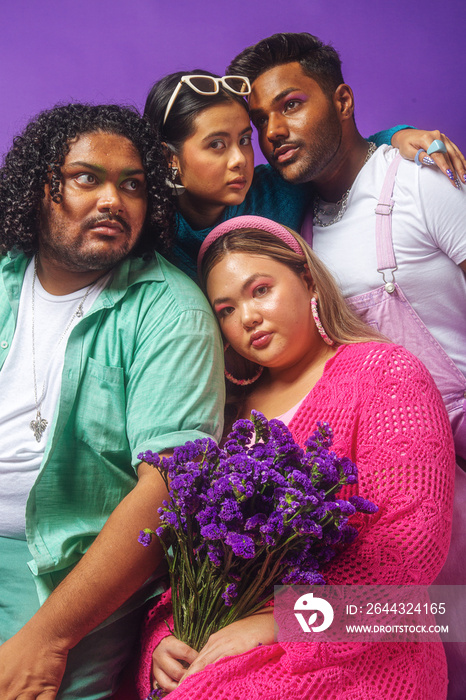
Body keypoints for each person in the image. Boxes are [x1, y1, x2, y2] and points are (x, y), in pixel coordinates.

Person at [227, 33, 466, 696]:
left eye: (292, 104)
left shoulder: (420, 181)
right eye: (260, 122)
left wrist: (398, 137)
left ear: (342, 99)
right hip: (392, 485)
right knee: (421, 642)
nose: (275, 130)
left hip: (460, 458)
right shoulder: (296, 216)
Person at [136, 216, 455, 700]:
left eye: (260, 289)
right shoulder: (225, 414)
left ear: (306, 277)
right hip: (232, 644)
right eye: (225, 309)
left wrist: (282, 621)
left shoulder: (386, 373)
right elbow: (189, 558)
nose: (246, 318)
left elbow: (409, 551)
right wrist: (165, 642)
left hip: (368, 646)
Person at [0, 103, 224, 700]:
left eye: (132, 185)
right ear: (38, 187)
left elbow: (169, 486)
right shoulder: (4, 277)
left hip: (66, 569)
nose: (112, 200)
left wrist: (48, 638)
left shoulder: (169, 310)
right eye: (86, 178)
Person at [144, 69, 463, 278]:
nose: (239, 159)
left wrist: (395, 135)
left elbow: (342, 152)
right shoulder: (148, 225)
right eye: (216, 144)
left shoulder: (276, 189)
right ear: (169, 158)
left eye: (244, 140)